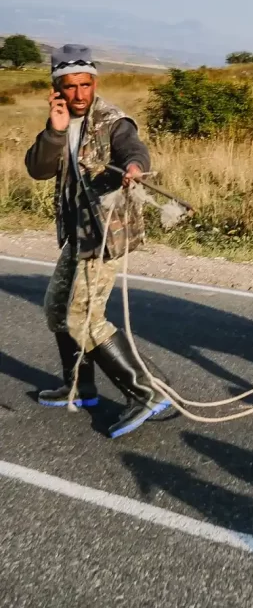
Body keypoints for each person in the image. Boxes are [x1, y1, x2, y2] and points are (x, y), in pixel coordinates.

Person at [24, 43, 173, 439]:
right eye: (70, 86)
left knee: (84, 317)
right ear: (56, 86)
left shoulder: (112, 120)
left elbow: (133, 150)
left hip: (106, 234)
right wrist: (54, 131)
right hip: (76, 235)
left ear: (95, 82)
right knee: (57, 310)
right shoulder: (60, 122)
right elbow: (38, 169)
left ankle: (143, 394)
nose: (79, 94)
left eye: (85, 84)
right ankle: (79, 387)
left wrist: (135, 168)